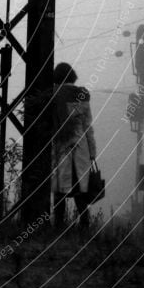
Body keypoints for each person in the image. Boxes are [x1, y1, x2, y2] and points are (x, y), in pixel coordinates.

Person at [51, 62, 97, 231]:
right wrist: (92, 152)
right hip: (81, 145)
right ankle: (85, 226)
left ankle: (58, 226)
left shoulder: (54, 95)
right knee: (80, 188)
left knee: (60, 187)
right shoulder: (82, 95)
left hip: (61, 145)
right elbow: (88, 127)